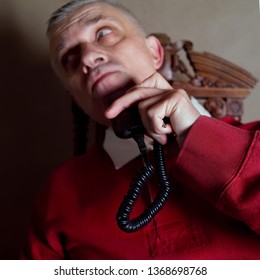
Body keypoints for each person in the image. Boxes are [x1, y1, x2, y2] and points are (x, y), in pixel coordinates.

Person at [22, 0, 260, 259]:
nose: (88, 58)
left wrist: (196, 134)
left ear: (155, 53)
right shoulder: (59, 192)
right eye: (69, 58)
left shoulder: (252, 141)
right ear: (76, 99)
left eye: (103, 33)